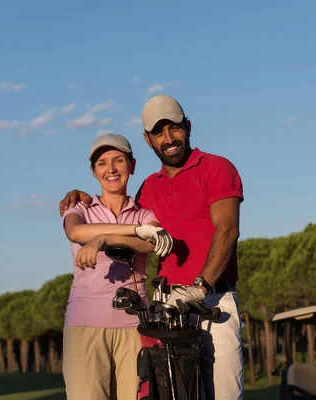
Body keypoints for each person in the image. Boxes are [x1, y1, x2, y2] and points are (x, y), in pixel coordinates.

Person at [59, 94, 245, 400]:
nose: (169, 138)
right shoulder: (149, 188)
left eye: (174, 128)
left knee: (224, 393)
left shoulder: (216, 167)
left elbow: (227, 230)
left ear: (187, 127)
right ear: (148, 140)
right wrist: (82, 195)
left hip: (212, 299)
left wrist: (200, 286)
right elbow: (114, 219)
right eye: (159, 132)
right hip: (167, 307)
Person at [61, 133, 174, 400]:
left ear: (132, 166)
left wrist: (103, 238)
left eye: (118, 160)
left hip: (135, 327)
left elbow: (151, 243)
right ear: (94, 171)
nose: (110, 169)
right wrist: (134, 231)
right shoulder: (79, 208)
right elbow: (76, 232)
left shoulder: (145, 214)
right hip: (84, 325)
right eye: (102, 163)